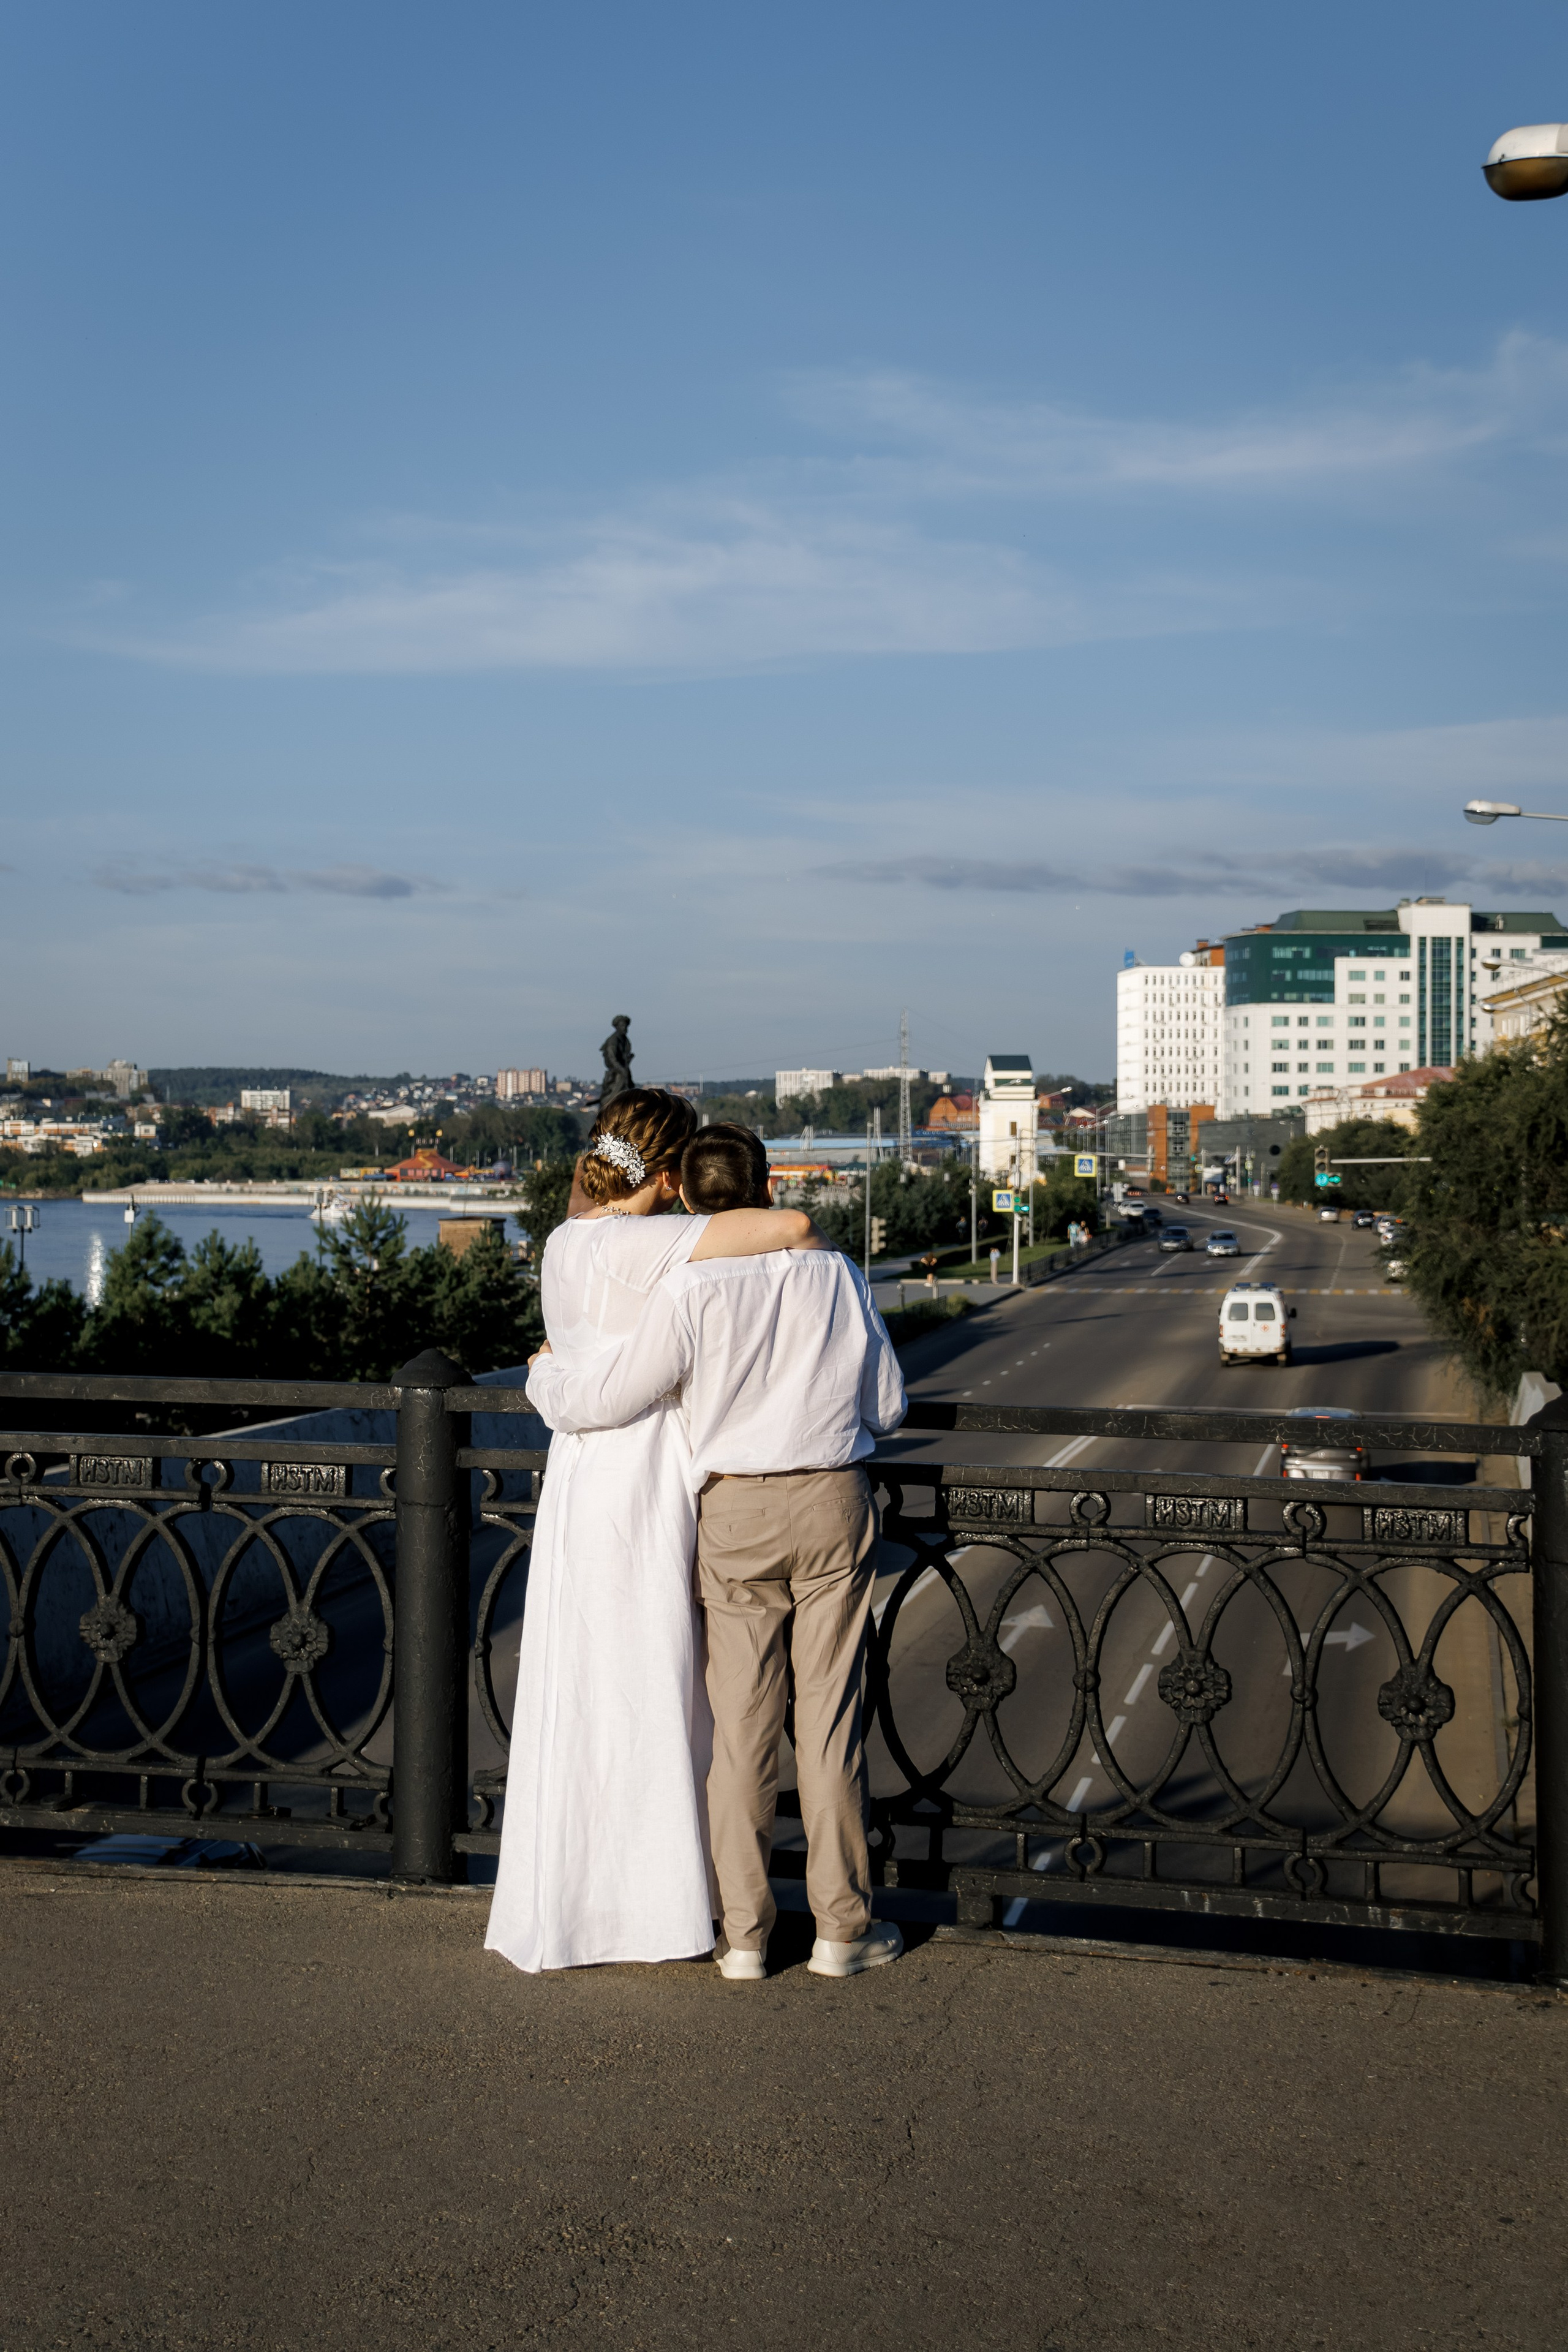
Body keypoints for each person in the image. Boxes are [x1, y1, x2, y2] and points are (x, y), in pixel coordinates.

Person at [526, 1123, 907, 1982]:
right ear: (765, 1184)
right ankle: (842, 1931)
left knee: (740, 1733)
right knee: (830, 1723)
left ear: (691, 1199)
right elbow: (888, 1405)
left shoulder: (689, 1292)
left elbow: (618, 1395)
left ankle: (744, 1937)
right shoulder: (841, 1277)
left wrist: (545, 1374)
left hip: (734, 1511)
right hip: (834, 1501)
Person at [484, 1090, 823, 1976]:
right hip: (643, 1478)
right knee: (658, 1686)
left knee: (586, 1686)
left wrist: (550, 1383)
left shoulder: (565, 1245)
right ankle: (662, 1909)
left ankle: (574, 1904)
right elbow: (788, 1227)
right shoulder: (645, 1243)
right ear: (671, 1175)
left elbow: (583, 1237)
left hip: (579, 1482)